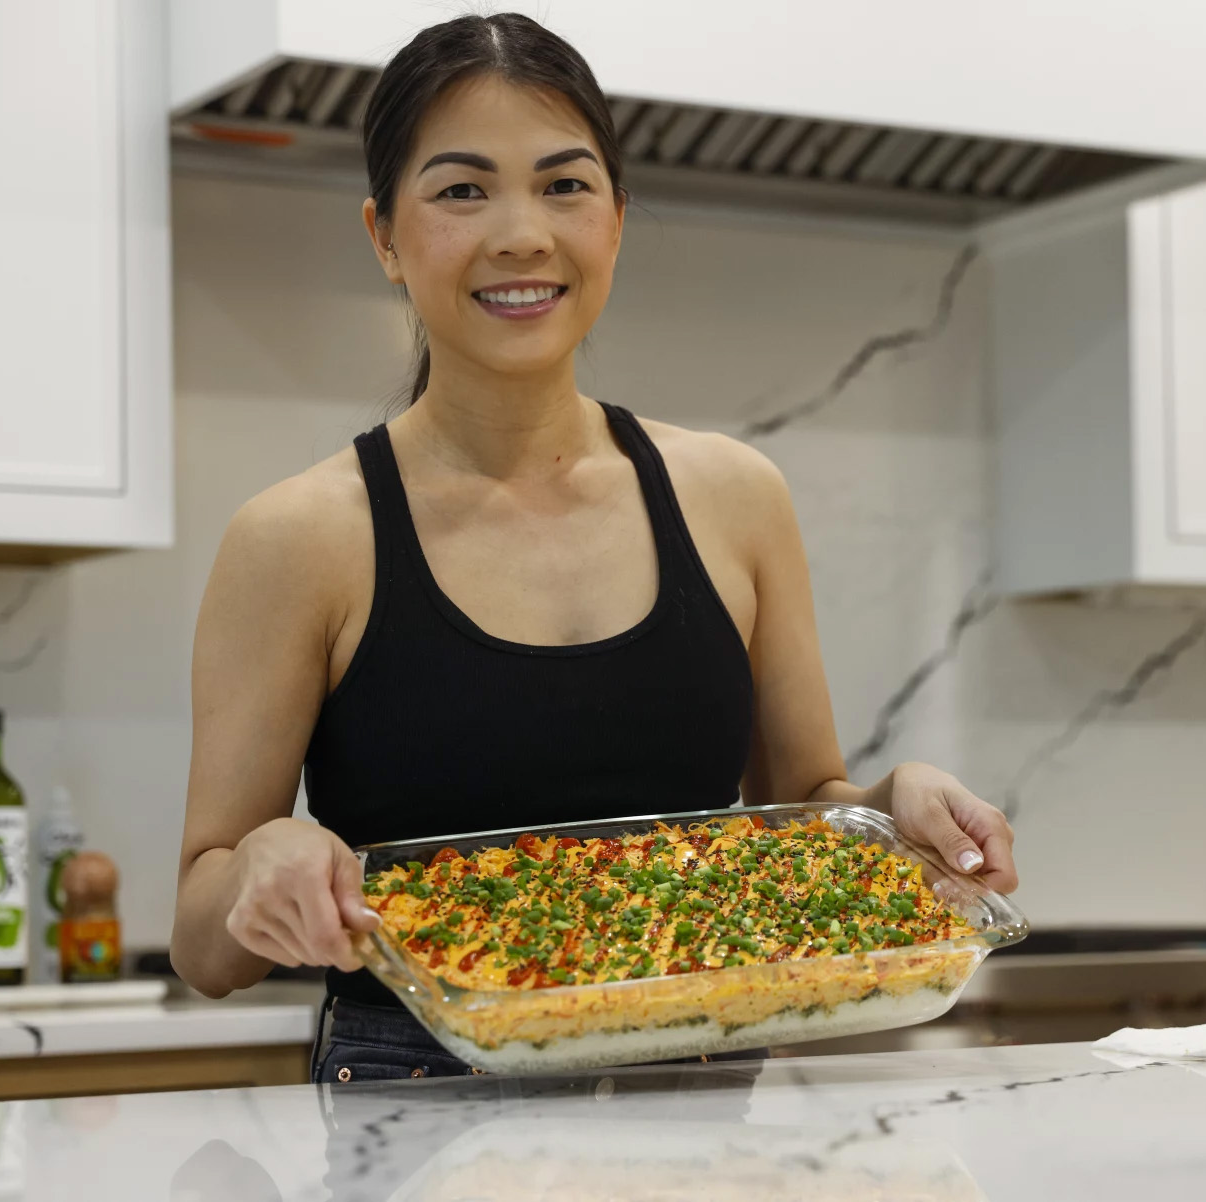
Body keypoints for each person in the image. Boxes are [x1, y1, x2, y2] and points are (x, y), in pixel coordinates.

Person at [169, 12, 1019, 1083]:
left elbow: (807, 806)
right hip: (415, 1126)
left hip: (699, 1117)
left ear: (616, 219)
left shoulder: (733, 497)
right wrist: (257, 859)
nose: (521, 233)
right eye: (461, 189)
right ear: (384, 235)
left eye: (564, 185)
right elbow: (203, 941)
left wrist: (890, 807)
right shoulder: (299, 536)